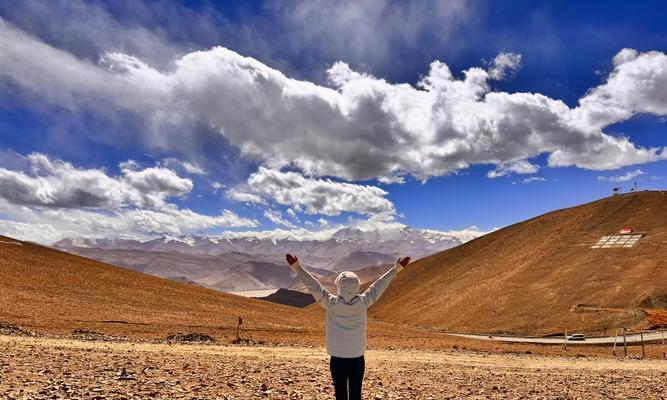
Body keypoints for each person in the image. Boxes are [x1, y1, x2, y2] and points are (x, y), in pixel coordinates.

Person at [286, 253, 410, 400]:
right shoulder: (364, 302)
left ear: (339, 286)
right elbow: (379, 286)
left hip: (337, 358)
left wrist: (297, 267)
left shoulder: (330, 303)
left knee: (340, 394)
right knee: (356, 394)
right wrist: (396, 269)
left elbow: (313, 286)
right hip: (357, 358)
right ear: (357, 286)